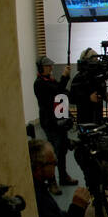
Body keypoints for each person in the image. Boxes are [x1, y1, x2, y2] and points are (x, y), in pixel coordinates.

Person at [34, 56, 78, 190]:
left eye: (51, 66)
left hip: (60, 120)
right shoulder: (40, 83)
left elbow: (61, 95)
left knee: (63, 149)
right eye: (48, 66)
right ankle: (52, 182)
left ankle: (63, 177)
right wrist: (65, 77)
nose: (51, 68)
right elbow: (58, 93)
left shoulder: (50, 81)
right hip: (51, 123)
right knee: (54, 152)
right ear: (41, 68)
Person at [69, 48, 105, 126]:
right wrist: (88, 98)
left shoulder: (96, 77)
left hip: (97, 119)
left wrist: (103, 95)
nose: (97, 63)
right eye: (95, 60)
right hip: (85, 120)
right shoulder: (79, 78)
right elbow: (72, 98)